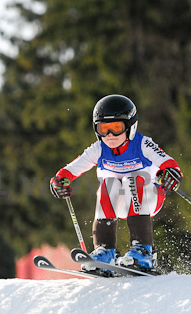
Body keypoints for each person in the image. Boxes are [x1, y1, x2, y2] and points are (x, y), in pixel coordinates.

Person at [49, 94, 183, 272]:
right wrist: (59, 181)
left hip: (149, 199)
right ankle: (105, 251)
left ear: (130, 127)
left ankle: (143, 250)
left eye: (116, 128)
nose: (110, 135)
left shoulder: (142, 144)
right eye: (103, 128)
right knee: (109, 184)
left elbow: (169, 163)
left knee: (132, 180)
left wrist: (170, 174)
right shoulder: (99, 149)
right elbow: (72, 169)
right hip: (119, 205)